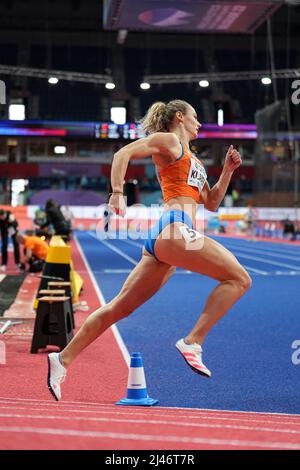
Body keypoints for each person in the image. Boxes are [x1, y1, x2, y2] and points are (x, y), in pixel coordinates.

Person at [47, 99, 252, 401]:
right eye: (196, 117)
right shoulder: (169, 141)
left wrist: (227, 172)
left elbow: (210, 202)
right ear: (180, 117)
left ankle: (61, 359)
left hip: (166, 239)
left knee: (119, 307)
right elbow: (123, 153)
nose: (200, 123)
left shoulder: (194, 160)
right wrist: (117, 193)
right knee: (239, 279)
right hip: (175, 228)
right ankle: (193, 341)